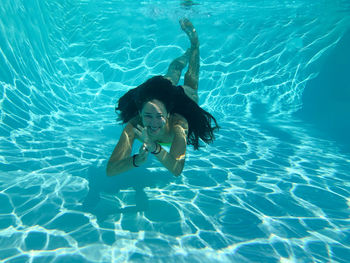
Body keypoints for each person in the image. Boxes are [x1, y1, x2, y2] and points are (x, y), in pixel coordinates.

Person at [106, 18, 219, 177]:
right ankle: (185, 55)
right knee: (173, 71)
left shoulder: (179, 124)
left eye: (159, 116)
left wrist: (153, 147)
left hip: (183, 98)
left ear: (167, 114)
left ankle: (194, 45)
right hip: (162, 97)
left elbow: (177, 169)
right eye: (147, 116)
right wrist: (136, 160)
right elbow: (111, 170)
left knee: (191, 80)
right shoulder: (135, 127)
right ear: (139, 113)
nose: (153, 123)